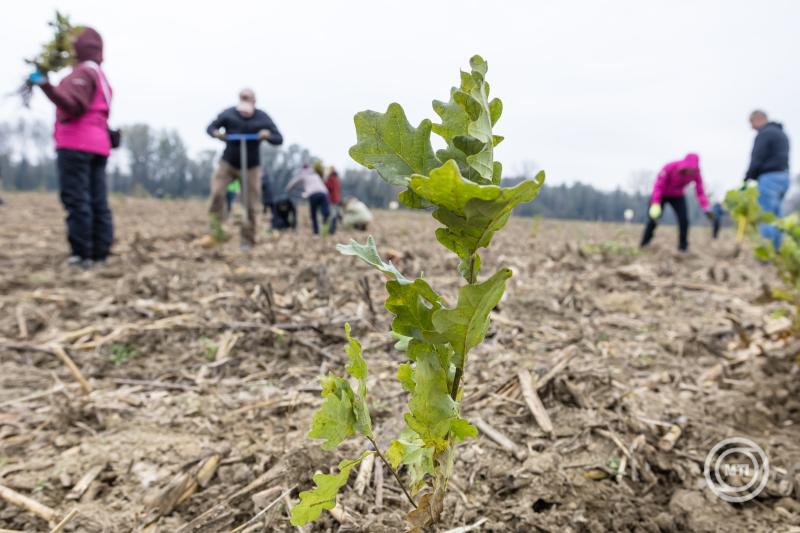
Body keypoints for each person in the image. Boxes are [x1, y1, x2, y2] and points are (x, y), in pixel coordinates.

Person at [28, 26, 114, 269]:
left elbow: (73, 105)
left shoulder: (83, 72)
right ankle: (100, 253)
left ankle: (82, 254)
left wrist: (45, 84)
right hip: (98, 146)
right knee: (97, 200)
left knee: (77, 199)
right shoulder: (99, 74)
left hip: (76, 145)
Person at [206, 88, 283, 250]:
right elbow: (210, 128)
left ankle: (247, 240)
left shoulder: (262, 117)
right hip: (228, 163)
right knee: (217, 194)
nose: (245, 100)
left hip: (251, 167)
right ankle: (215, 232)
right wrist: (217, 133)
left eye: (248, 98)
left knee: (250, 204)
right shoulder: (229, 114)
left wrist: (267, 135)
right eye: (243, 97)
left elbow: (278, 138)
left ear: (254, 101)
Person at [640, 153, 712, 252]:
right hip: (662, 194)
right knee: (653, 219)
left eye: (693, 169)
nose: (690, 172)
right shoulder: (669, 167)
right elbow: (658, 186)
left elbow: (700, 191)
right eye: (689, 169)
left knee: (684, 220)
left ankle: (683, 248)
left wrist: (705, 207)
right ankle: (644, 244)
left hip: (678, 196)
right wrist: (655, 203)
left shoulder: (696, 173)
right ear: (685, 165)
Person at [745, 110, 790, 250]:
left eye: (751, 123)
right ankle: (776, 251)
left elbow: (757, 158)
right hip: (784, 177)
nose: (752, 127)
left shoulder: (764, 134)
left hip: (768, 178)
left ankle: (766, 253)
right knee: (777, 218)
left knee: (766, 216)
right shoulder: (781, 134)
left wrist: (748, 177)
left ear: (759, 119)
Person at [285, 163, 330, 234]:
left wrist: (288, 188)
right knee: (324, 209)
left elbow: (294, 181)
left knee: (313, 214)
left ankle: (316, 232)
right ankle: (325, 215)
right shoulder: (315, 175)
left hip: (313, 194)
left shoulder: (303, 175)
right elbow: (322, 182)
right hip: (323, 192)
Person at [325, 166, 342, 235]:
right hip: (337, 198)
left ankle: (332, 230)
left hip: (332, 199)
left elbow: (327, 186)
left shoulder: (331, 179)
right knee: (335, 214)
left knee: (333, 214)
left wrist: (325, 180)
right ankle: (333, 229)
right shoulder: (337, 178)